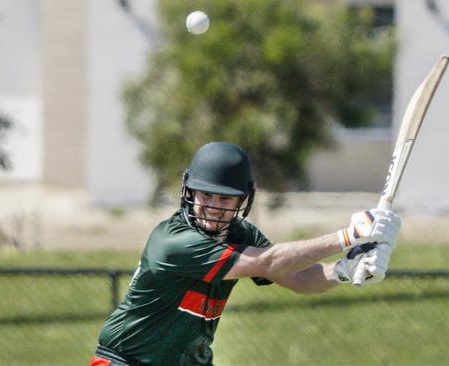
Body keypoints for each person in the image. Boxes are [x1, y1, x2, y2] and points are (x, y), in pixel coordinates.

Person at [90, 141, 400, 366]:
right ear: (189, 192)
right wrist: (348, 235)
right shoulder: (173, 242)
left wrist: (345, 268)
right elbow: (267, 261)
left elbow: (300, 279)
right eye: (206, 195)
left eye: (225, 199)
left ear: (243, 200)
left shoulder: (241, 234)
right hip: (125, 361)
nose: (212, 207)